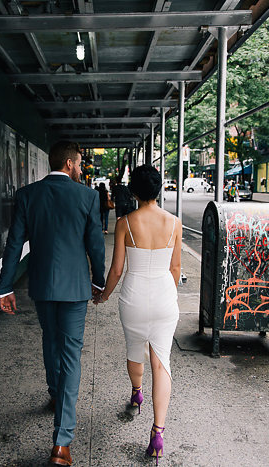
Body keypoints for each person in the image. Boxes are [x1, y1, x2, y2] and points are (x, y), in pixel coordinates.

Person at [0, 141, 105, 466]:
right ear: (70, 163)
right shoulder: (87, 196)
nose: (81, 167)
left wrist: (5, 287)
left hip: (42, 285)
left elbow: (14, 242)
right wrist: (98, 282)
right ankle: (62, 443)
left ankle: (54, 392)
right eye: (80, 162)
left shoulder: (28, 195)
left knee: (50, 339)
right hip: (75, 289)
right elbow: (96, 245)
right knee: (71, 355)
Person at [94, 164, 182, 465]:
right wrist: (169, 295)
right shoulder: (174, 223)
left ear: (133, 191)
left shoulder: (125, 223)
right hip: (163, 296)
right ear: (158, 190)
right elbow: (175, 268)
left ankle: (136, 393)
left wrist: (104, 295)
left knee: (134, 349)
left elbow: (117, 269)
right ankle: (158, 432)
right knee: (161, 361)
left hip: (133, 297)